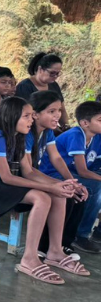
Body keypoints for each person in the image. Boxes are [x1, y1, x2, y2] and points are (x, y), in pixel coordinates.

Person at [0, 97, 86, 284]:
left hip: (4, 178)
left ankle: (55, 251)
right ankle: (29, 258)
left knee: (58, 194)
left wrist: (60, 184)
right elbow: (6, 177)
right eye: (27, 116)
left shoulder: (20, 136)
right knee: (43, 198)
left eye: (32, 116)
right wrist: (49, 186)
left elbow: (29, 171)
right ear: (10, 117)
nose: (31, 120)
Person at [36, 96, 101, 255]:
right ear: (85, 123)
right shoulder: (76, 134)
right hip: (53, 173)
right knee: (94, 187)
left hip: (70, 173)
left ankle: (84, 233)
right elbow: (82, 171)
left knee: (91, 186)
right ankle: (81, 235)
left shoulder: (95, 136)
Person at [16, 52, 69, 127]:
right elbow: (24, 115)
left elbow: (62, 109)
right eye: (52, 73)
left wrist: (65, 126)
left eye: (58, 73)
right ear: (40, 69)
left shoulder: (54, 85)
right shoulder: (24, 87)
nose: (55, 76)